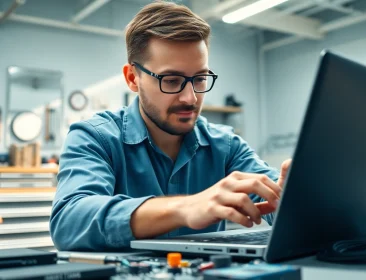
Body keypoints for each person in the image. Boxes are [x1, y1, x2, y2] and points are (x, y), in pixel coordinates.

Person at [50, 1, 291, 251]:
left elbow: (276, 200)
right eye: (172, 80)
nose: (191, 98)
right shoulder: (94, 137)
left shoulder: (227, 147)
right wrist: (187, 207)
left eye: (199, 79)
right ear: (133, 78)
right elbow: (69, 221)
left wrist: (296, 199)